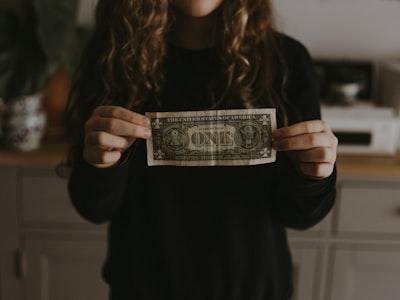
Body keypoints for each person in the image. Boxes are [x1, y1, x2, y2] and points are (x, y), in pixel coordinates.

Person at [65, 0, 338, 299]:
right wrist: (100, 164)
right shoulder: (112, 55)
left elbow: (300, 215)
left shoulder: (286, 60)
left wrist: (314, 176)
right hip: (144, 288)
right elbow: (93, 207)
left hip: (252, 289)